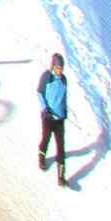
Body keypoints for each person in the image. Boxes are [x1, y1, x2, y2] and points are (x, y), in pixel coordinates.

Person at [38, 53, 68, 188]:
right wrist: (45, 109)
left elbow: (64, 96)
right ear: (53, 66)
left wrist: (64, 112)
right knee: (46, 138)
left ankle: (61, 177)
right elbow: (39, 93)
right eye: (57, 68)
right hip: (48, 116)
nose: (60, 71)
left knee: (61, 146)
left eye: (61, 68)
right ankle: (41, 157)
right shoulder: (47, 77)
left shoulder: (64, 80)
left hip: (59, 118)